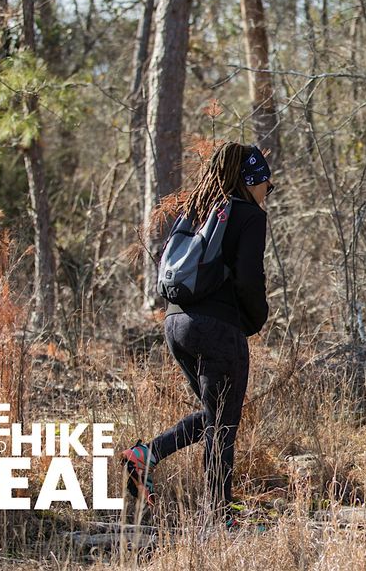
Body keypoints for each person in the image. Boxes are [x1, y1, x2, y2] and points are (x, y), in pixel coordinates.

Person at [120, 142, 272, 519]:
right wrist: (254, 320)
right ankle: (217, 515)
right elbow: (249, 280)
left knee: (215, 413)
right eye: (266, 183)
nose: (268, 191)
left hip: (176, 325)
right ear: (250, 180)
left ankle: (146, 455)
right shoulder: (249, 216)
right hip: (216, 329)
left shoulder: (196, 210)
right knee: (223, 423)